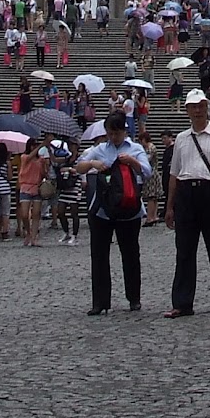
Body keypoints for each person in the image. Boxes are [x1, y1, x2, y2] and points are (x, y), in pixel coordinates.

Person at [164, 89, 210, 317]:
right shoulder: (181, 139)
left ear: (207, 108)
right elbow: (174, 174)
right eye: (193, 106)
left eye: (201, 106)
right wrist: (169, 206)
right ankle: (182, 303)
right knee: (184, 250)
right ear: (187, 110)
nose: (197, 110)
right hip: (186, 194)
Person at [74, 111, 152, 315]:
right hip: (103, 209)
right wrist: (92, 164)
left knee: (131, 254)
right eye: (110, 133)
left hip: (129, 208)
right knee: (99, 255)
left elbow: (147, 172)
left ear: (124, 131)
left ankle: (134, 298)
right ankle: (100, 301)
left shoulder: (135, 148)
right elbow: (79, 167)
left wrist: (132, 162)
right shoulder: (99, 149)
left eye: (117, 133)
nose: (113, 137)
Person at [17, 135, 48, 246]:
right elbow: (29, 157)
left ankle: (34, 237)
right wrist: (42, 145)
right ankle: (29, 233)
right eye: (33, 145)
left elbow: (44, 174)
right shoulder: (24, 157)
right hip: (25, 187)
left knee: (36, 214)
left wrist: (45, 166)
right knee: (25, 214)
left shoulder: (41, 160)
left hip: (37, 187)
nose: (35, 147)